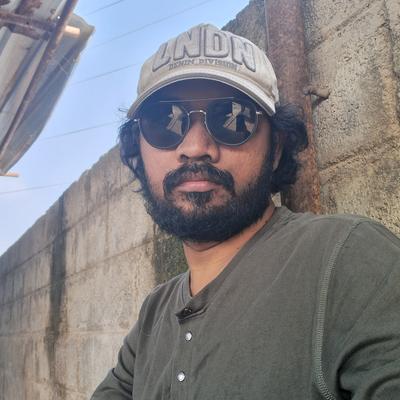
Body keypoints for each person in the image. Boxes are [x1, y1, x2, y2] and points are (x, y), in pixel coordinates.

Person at [91, 23, 400, 400]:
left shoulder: (346, 260)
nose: (195, 147)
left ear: (275, 149)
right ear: (138, 150)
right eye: (164, 121)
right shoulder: (153, 315)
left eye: (233, 118)